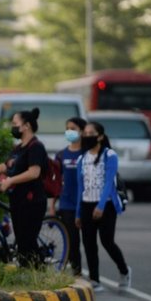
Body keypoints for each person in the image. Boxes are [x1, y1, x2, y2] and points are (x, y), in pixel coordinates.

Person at [0, 108, 47, 267]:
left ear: (26, 126)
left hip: (32, 201)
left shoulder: (36, 147)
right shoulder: (18, 149)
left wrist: (11, 181)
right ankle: (28, 273)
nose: (13, 127)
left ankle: (37, 275)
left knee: (27, 242)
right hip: (18, 200)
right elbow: (4, 167)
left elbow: (34, 172)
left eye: (14, 124)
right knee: (21, 241)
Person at [75, 121, 130, 293]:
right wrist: (78, 213)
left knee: (107, 241)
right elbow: (80, 187)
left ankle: (124, 270)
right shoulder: (81, 159)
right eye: (85, 133)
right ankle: (95, 280)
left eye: (91, 133)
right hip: (86, 204)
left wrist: (100, 206)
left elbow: (109, 183)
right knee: (89, 243)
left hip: (106, 205)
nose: (86, 136)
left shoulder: (110, 155)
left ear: (99, 136)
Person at [54, 117, 86, 276]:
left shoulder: (87, 153)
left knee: (88, 241)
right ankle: (76, 270)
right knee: (72, 240)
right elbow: (56, 182)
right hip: (66, 204)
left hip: (86, 203)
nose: (70, 131)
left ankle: (94, 275)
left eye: (73, 128)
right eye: (67, 128)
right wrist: (53, 205)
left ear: (81, 131)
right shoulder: (61, 155)